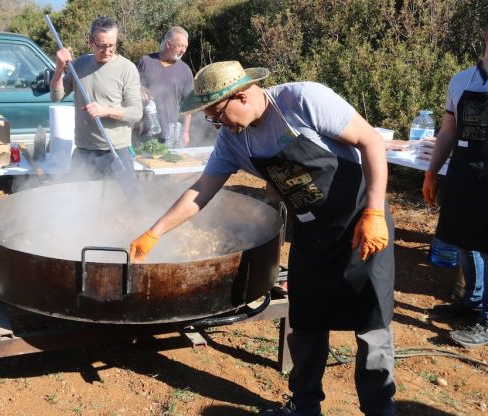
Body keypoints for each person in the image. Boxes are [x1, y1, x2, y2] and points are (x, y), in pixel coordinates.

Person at [130, 61, 396, 416]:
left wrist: (374, 213)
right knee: (306, 321)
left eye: (217, 115)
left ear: (240, 97)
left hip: (361, 224)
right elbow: (201, 191)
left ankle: (380, 409)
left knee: (371, 321)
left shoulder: (303, 100)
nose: (217, 124)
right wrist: (154, 231)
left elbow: (371, 142)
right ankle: (304, 406)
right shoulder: (232, 141)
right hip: (312, 234)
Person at [422, 19, 488, 348]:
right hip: (465, 174)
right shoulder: (462, 80)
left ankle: (486, 321)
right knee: (465, 241)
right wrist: (432, 171)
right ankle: (470, 304)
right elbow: (448, 130)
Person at [50, 16, 142, 179]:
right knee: (81, 203)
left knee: (121, 203)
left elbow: (136, 112)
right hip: (84, 152)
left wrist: (104, 111)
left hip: (117, 152)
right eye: (101, 46)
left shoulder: (127, 68)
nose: (107, 51)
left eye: (112, 46)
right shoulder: (79, 64)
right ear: (90, 41)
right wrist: (59, 69)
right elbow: (56, 96)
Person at [136, 26, 194, 147]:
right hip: (145, 132)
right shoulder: (146, 62)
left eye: (185, 47)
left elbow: (189, 105)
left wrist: (186, 132)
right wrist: (138, 92)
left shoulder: (185, 70)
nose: (183, 50)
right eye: (180, 46)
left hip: (172, 134)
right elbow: (130, 89)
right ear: (168, 44)